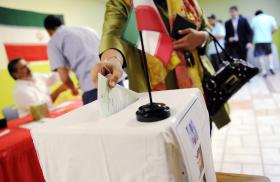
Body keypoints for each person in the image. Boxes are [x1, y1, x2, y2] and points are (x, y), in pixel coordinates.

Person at [92, 0, 230, 129]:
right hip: (157, 96)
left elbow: (206, 28)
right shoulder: (123, 2)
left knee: (202, 141)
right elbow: (113, 33)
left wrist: (202, 37)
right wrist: (112, 59)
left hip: (198, 87)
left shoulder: (188, 2)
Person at [44, 15, 101, 105]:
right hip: (115, 78)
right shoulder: (88, 30)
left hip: (92, 86)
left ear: (48, 31)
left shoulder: (54, 41)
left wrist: (73, 89)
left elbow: (64, 78)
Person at [251, 10, 278, 77]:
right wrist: (270, 33)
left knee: (260, 55)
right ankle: (271, 67)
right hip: (267, 39)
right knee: (269, 53)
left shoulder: (254, 19)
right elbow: (275, 28)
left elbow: (251, 29)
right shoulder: (270, 17)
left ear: (256, 14)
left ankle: (264, 70)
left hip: (258, 40)